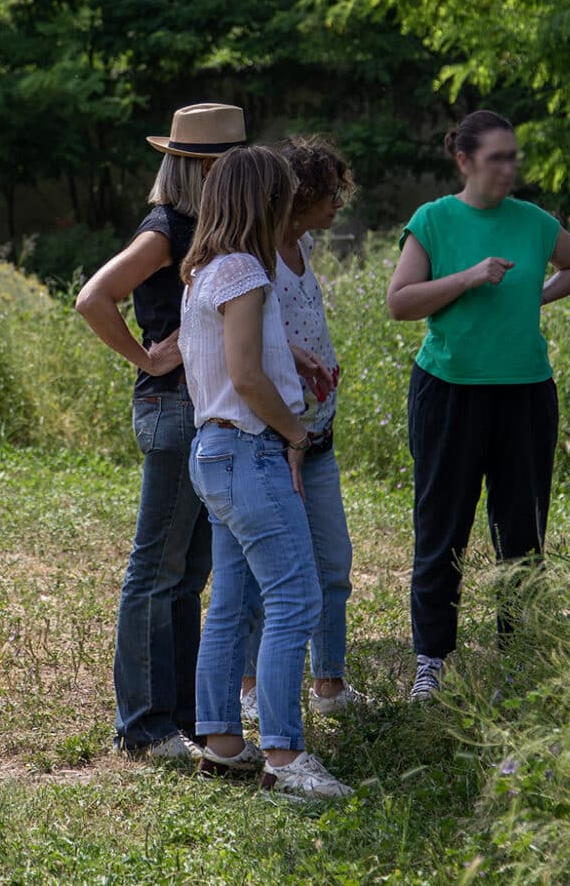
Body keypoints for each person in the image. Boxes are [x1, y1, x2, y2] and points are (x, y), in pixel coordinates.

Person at [385, 109, 570, 702]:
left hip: (526, 391)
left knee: (522, 530)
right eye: (497, 157)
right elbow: (400, 302)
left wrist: (536, 296)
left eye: (513, 156)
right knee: (442, 527)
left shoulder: (533, 222)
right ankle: (432, 658)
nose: (509, 167)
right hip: (449, 391)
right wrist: (471, 277)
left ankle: (519, 654)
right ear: (464, 161)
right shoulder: (434, 220)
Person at [75, 103, 246, 761]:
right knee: (158, 567)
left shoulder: (210, 226)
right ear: (201, 168)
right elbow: (94, 297)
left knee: (187, 569)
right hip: (172, 405)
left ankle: (182, 715)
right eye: (227, 162)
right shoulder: (167, 228)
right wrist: (147, 356)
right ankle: (143, 726)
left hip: (199, 407)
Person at [183, 145, 352, 801]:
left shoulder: (206, 269)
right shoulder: (246, 273)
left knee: (231, 601)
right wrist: (294, 430)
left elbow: (241, 367)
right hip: (251, 451)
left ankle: (223, 743)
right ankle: (285, 754)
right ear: (264, 200)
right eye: (284, 192)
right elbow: (247, 377)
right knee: (295, 599)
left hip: (214, 451)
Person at [238, 136, 364, 727]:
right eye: (330, 193)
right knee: (273, 574)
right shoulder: (254, 257)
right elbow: (243, 335)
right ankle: (248, 687)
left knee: (332, 562)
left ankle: (330, 682)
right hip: (275, 438)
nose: (339, 203)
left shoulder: (304, 244)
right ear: (299, 196)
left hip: (319, 436)